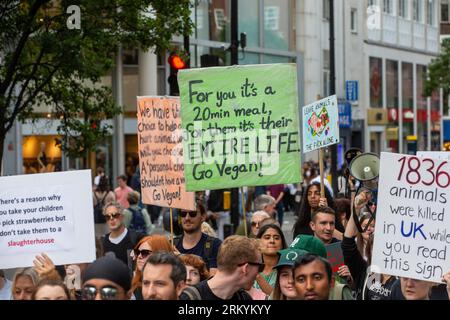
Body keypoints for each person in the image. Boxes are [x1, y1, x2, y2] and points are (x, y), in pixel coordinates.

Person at [342, 189, 396, 300]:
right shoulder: (364, 270)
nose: (379, 252)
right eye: (375, 247)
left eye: (384, 247)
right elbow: (347, 243)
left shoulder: (402, 279)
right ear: (369, 250)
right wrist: (356, 209)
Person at [179, 235, 260, 300]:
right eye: (260, 267)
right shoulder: (190, 297)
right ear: (246, 268)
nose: (258, 273)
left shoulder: (244, 298)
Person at [174, 202, 222, 275]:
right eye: (183, 214)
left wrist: (182, 258)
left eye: (193, 214)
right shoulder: (172, 244)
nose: (187, 218)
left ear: (203, 217)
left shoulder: (215, 245)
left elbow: (213, 279)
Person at [101, 202, 145, 268]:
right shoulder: (103, 242)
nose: (111, 219)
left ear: (122, 216)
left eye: (115, 215)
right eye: (108, 216)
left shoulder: (137, 238)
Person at [129, 235, 174, 300]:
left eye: (145, 253)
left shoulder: (174, 284)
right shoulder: (133, 283)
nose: (139, 256)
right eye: (137, 252)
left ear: (160, 254)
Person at [253, 224, 287, 298]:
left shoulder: (287, 270)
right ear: (258, 243)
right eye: (267, 238)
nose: (272, 241)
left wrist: (257, 277)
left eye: (276, 238)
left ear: (282, 243)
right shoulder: (250, 267)